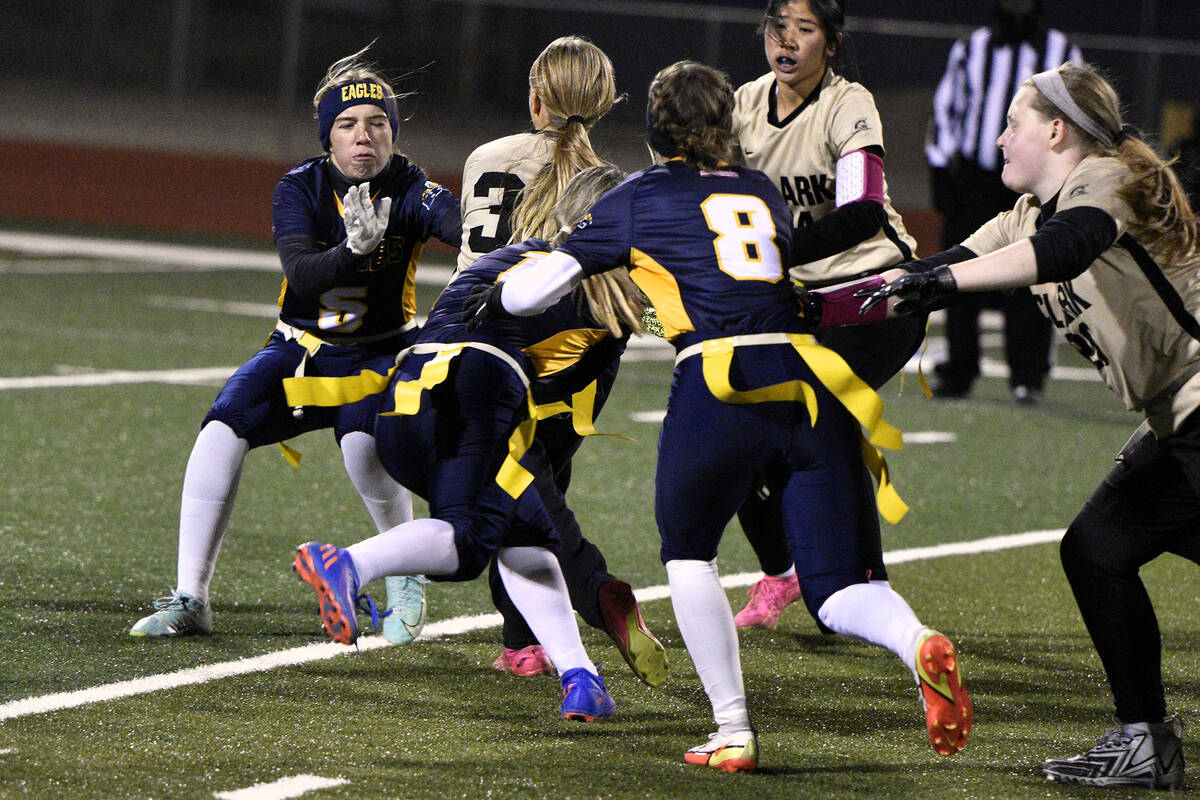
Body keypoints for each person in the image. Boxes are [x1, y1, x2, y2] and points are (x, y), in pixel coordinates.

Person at [467, 60, 973, 771]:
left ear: (654, 127)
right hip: (810, 379)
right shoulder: (761, 190)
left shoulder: (638, 196)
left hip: (719, 382)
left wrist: (519, 271)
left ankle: (733, 727)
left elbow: (528, 297)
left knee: (689, 555)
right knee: (843, 589)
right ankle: (916, 640)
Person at [860, 61, 1197, 790]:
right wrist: (808, 304)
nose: (1002, 135)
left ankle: (1149, 742)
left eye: (1014, 121)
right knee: (1098, 550)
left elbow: (1067, 247)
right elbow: (936, 270)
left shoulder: (1102, 180)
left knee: (1099, 548)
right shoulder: (1026, 215)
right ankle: (1148, 742)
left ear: (1056, 129)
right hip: (1178, 421)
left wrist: (936, 283)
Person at [289, 164, 647, 722]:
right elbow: (562, 395)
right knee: (468, 543)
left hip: (403, 396)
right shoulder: (596, 291)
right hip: (475, 395)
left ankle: (582, 678)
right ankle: (349, 565)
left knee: (525, 533)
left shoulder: (512, 253)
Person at [129, 46, 461, 642]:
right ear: (327, 138)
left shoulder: (413, 187)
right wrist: (353, 251)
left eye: (377, 123)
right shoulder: (300, 187)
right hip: (301, 349)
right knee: (218, 433)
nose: (364, 136)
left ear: (393, 133)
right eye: (348, 124)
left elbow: (458, 224)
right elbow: (304, 273)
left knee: (364, 448)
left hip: (379, 356)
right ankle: (191, 596)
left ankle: (402, 579)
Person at [454, 35, 665, 686]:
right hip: (586, 353)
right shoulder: (612, 183)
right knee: (540, 482)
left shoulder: (487, 157)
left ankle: (574, 595)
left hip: (499, 339)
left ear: (536, 95)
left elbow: (475, 273)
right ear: (601, 103)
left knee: (504, 490)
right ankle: (531, 637)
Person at [728, 0, 924, 630]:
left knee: (821, 414)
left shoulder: (849, 103)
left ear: (831, 44)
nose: (786, 41)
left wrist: (776, 254)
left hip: (873, 297)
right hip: (798, 304)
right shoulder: (744, 103)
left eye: (804, 30)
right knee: (733, 422)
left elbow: (863, 210)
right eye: (777, 27)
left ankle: (864, 581)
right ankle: (782, 574)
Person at [925, 0, 1081, 403]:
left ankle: (1027, 376)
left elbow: (1077, 117)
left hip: (1034, 181)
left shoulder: (1062, 52)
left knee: (1034, 276)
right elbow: (946, 110)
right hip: (976, 178)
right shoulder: (971, 48)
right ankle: (959, 369)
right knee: (960, 270)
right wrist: (941, 170)